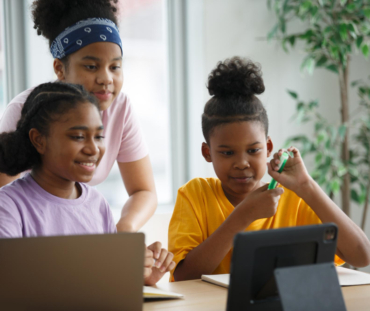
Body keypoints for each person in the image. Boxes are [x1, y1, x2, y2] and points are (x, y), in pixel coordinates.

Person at [168, 57, 370, 282]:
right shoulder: (195, 195)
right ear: (207, 153)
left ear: (269, 148)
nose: (242, 163)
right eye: (227, 153)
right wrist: (243, 215)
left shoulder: (292, 197)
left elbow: (362, 256)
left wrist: (307, 186)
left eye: (253, 150)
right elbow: (185, 276)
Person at [0, 0, 156, 232]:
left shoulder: (120, 107)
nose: (106, 79)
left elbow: (144, 190)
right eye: (92, 67)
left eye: (115, 67)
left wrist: (121, 236)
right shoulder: (25, 111)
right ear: (60, 69)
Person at [0, 82, 175, 286]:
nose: (94, 149)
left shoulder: (97, 203)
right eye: (78, 137)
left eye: (99, 136)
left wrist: (137, 277)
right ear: (39, 140)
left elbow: (101, 284)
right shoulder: (9, 206)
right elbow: (10, 283)